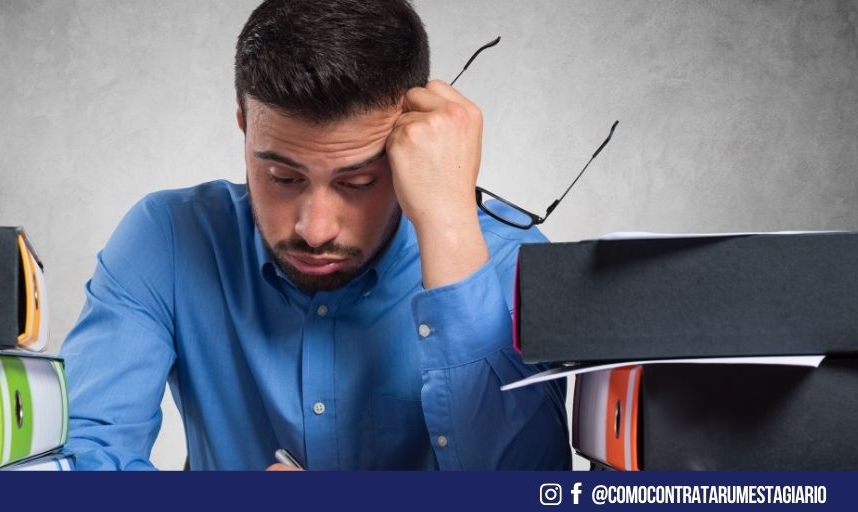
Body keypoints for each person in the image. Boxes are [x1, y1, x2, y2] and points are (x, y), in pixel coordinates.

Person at [60, 0, 570, 470]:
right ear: (245, 126)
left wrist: (449, 223)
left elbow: (535, 488)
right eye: (284, 178)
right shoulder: (168, 239)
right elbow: (81, 455)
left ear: (410, 141)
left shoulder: (505, 264)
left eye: (357, 182)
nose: (315, 229)